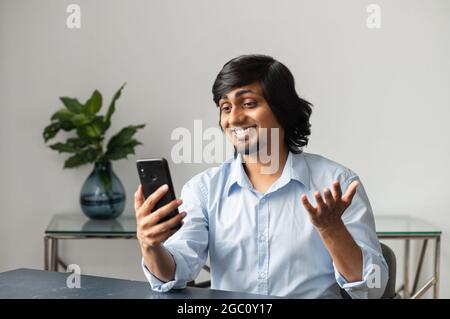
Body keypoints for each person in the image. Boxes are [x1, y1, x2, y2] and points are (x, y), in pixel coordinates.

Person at [134, 54, 388, 298]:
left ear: (282, 109)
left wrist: (332, 230)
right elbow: (174, 272)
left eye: (249, 104)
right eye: (225, 107)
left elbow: (373, 289)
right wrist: (150, 246)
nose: (234, 118)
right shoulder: (203, 190)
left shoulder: (337, 183)